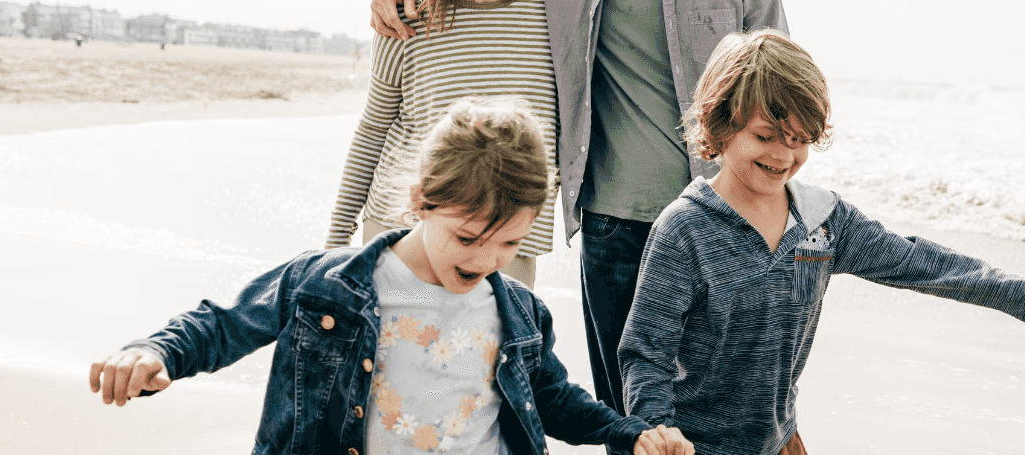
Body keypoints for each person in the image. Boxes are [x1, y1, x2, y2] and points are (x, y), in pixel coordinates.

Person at [370, 0, 788, 415]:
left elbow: (779, 101)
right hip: (611, 227)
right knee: (625, 407)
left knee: (725, 403)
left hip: (716, 220)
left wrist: (774, 219)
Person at [88, 97, 695, 455]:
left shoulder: (520, 314)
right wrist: (155, 350)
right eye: (467, 237)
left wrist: (629, 433)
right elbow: (224, 323)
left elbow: (556, 401)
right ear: (421, 202)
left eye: (509, 242)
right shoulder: (328, 285)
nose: (486, 260)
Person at [618, 31, 1025, 455]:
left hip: (779, 442)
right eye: (766, 135)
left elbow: (921, 262)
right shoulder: (685, 229)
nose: (784, 155)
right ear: (721, 126)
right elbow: (646, 353)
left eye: (799, 139)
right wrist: (659, 434)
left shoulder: (823, 222)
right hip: (692, 447)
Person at [331, 0, 559, 288]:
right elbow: (373, 129)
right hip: (403, 232)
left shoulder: (552, 6)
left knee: (491, 356)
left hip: (507, 241)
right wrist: (335, 244)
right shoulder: (409, 14)